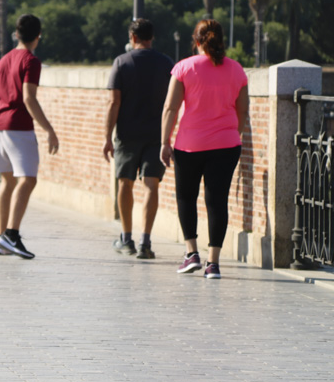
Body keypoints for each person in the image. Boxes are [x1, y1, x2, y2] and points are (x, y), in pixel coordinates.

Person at [159, 18, 248, 280]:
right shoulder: (237, 70)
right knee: (217, 201)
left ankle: (191, 254)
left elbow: (170, 108)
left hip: (189, 145)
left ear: (196, 41)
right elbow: (243, 110)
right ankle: (214, 263)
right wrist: (233, 134)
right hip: (227, 145)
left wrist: (164, 142)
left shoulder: (184, 68)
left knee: (186, 197)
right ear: (221, 41)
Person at [102, 18, 174, 260]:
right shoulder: (166, 63)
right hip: (156, 134)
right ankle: (145, 241)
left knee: (125, 183)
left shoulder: (122, 62)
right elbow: (172, 103)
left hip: (127, 134)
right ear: (151, 38)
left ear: (132, 38)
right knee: (151, 184)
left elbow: (114, 102)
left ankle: (126, 238)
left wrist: (107, 137)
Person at [0, 14, 59, 259]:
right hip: (18, 126)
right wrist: (49, 130)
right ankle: (11, 234)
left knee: (7, 182)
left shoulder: (3, 61)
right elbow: (29, 97)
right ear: (38, 37)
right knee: (28, 180)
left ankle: (1, 238)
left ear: (16, 34)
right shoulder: (31, 61)